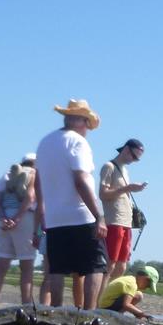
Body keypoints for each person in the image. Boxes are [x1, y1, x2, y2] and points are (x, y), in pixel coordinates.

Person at [34, 98, 110, 309]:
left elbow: (38, 182)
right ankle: (89, 313)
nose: (88, 129)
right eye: (87, 124)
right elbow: (81, 180)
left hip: (55, 218)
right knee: (94, 265)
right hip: (80, 214)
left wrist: (42, 212)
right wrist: (98, 215)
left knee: (57, 269)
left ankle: (56, 312)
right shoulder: (78, 142)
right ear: (80, 121)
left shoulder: (45, 142)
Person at [0, 154, 39, 311]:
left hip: (3, 220)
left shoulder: (8, 175)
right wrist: (17, 219)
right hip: (25, 219)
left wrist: (4, 218)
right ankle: (26, 307)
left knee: (1, 266)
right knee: (27, 267)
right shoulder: (34, 174)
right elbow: (30, 198)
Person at [97, 138, 147, 282]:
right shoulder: (109, 167)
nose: (134, 160)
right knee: (110, 264)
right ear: (126, 149)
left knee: (121, 266)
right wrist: (128, 188)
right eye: (134, 156)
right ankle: (99, 301)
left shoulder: (125, 170)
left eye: (137, 159)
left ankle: (108, 298)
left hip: (126, 222)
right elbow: (103, 194)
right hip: (113, 221)